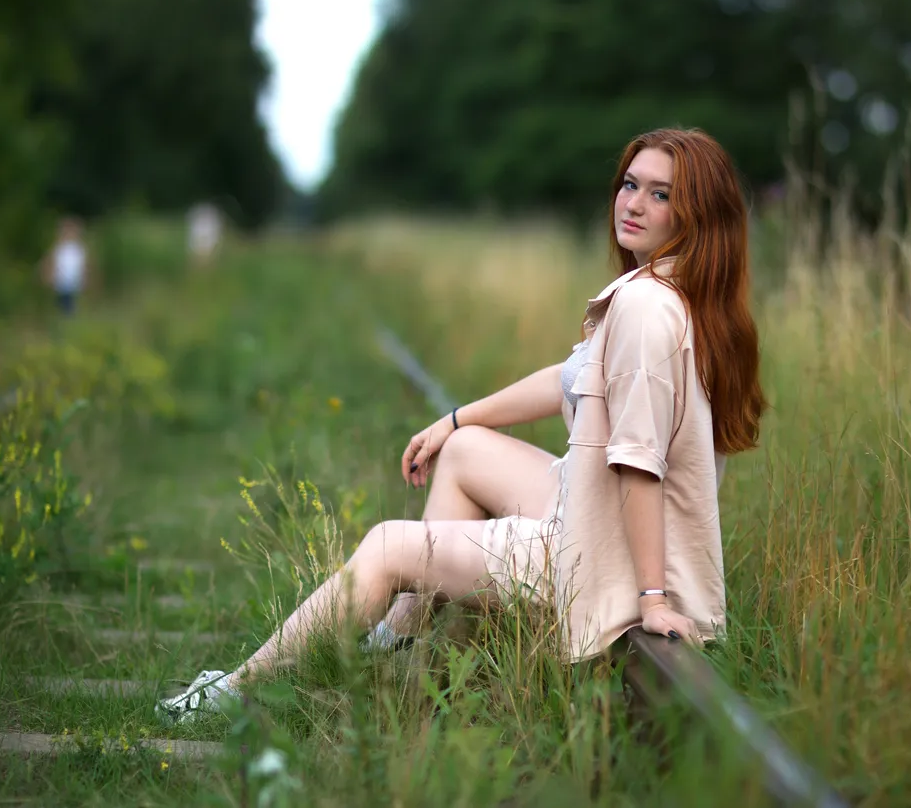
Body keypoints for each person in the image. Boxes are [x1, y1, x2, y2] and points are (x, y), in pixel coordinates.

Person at [156, 128, 767, 723]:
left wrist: (652, 600)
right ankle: (397, 641)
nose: (633, 204)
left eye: (661, 194)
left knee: (388, 547)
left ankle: (234, 691)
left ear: (698, 216)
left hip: (598, 555)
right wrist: (454, 419)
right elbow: (570, 375)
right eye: (630, 184)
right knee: (467, 449)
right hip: (595, 512)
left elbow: (637, 461)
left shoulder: (644, 309)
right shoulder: (677, 292)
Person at [44, 216, 88, 316]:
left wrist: (84, 278)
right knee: (63, 300)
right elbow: (53, 262)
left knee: (70, 301)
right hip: (61, 280)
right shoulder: (59, 247)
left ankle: (68, 316)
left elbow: (82, 265)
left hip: (73, 280)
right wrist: (50, 275)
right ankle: (64, 316)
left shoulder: (78, 248)